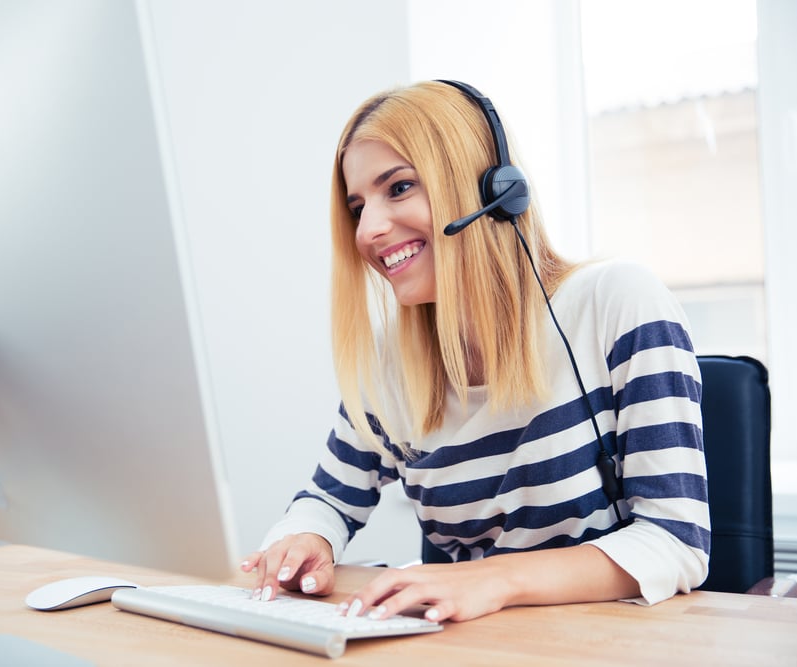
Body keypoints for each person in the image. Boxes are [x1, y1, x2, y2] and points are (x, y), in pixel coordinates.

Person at [240, 80, 709, 623]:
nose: (368, 229)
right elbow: (327, 500)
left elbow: (676, 541)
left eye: (398, 188)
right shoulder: (390, 363)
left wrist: (492, 580)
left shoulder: (614, 303)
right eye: (357, 206)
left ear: (491, 190)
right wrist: (304, 539)